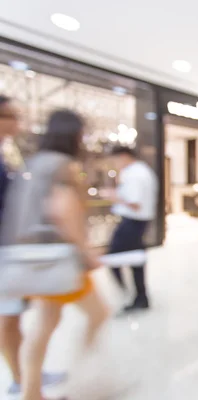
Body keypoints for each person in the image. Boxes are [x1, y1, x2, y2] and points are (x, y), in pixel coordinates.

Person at [0, 110, 108, 400]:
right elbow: (62, 209)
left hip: (31, 259)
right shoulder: (64, 165)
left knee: (44, 325)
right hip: (58, 260)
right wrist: (87, 252)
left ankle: (31, 393)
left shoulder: (33, 163)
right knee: (98, 314)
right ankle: (84, 374)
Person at [0, 97, 69, 400]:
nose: (17, 122)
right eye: (10, 116)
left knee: (15, 317)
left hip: (12, 249)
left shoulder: (8, 154)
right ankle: (24, 382)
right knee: (10, 317)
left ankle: (27, 378)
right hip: (6, 251)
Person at [108, 146, 158, 313]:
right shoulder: (140, 171)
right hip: (136, 221)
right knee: (136, 260)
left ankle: (128, 295)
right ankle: (139, 297)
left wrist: (114, 196)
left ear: (123, 156)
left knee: (114, 258)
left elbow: (135, 203)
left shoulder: (135, 174)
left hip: (133, 221)